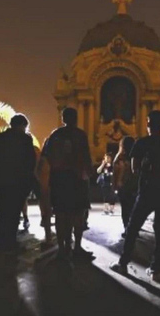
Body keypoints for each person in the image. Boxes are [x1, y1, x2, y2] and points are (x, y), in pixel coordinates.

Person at [110, 110, 160, 281]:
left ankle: (123, 264)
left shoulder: (141, 143)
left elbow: (135, 168)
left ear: (148, 124)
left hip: (147, 191)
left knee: (132, 228)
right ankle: (156, 270)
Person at [42, 107, 93, 260]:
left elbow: (46, 157)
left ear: (63, 118)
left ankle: (62, 248)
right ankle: (76, 247)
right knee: (78, 214)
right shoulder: (80, 135)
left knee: (60, 214)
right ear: (76, 118)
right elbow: (86, 158)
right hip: (77, 179)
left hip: (59, 179)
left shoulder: (55, 135)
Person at [0, 114, 36, 252]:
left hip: (1, 181)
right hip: (18, 181)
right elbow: (30, 161)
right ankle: (10, 241)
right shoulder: (25, 139)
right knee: (14, 213)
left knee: (2, 211)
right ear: (22, 125)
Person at [113, 136, 137, 237]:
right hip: (134, 186)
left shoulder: (119, 158)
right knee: (133, 209)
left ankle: (127, 229)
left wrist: (115, 186)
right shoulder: (136, 156)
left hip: (122, 186)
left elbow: (115, 173)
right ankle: (133, 229)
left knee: (125, 209)